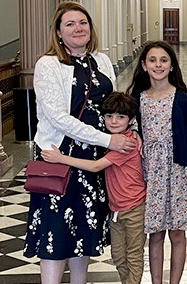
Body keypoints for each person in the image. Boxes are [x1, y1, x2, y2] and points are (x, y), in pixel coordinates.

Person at [24, 1, 139, 284]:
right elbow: (57, 117)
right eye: (70, 24)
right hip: (59, 155)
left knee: (83, 228)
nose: (78, 28)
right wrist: (107, 139)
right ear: (59, 33)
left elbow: (113, 106)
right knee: (56, 230)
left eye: (83, 23)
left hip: (93, 160)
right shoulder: (48, 64)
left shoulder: (101, 60)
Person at [41, 92, 146, 284]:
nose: (113, 121)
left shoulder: (125, 144)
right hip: (116, 209)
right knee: (119, 256)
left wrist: (61, 159)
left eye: (120, 117)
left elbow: (95, 166)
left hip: (134, 208)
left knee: (133, 256)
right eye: (109, 116)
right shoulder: (113, 139)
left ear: (131, 120)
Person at [127, 41, 187, 284]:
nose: (158, 65)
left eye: (163, 60)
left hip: (179, 170)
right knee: (155, 233)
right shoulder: (137, 100)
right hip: (149, 172)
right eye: (152, 60)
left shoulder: (182, 99)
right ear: (144, 65)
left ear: (171, 66)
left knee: (177, 232)